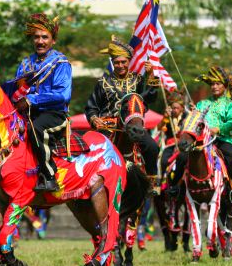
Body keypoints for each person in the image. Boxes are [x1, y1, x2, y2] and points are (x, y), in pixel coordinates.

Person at [85, 36, 160, 187]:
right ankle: (88, 185)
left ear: (129, 62)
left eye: (123, 62)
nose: (120, 65)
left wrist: (151, 76)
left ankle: (152, 181)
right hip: (109, 127)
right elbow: (91, 107)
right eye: (116, 62)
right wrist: (94, 119)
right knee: (90, 153)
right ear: (112, 63)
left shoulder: (138, 80)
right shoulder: (103, 83)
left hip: (133, 126)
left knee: (152, 147)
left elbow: (149, 98)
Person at [12, 13, 72, 192]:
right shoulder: (24, 64)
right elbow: (16, 90)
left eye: (45, 37)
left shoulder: (61, 62)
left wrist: (31, 99)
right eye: (37, 37)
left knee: (35, 128)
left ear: (53, 40)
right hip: (26, 113)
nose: (40, 41)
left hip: (54, 114)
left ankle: (49, 175)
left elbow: (63, 95)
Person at [195, 66, 232, 202]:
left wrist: (217, 129)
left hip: (223, 140)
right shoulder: (202, 104)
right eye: (212, 84)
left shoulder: (231, 105)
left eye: (218, 83)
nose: (214, 86)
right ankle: (177, 187)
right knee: (182, 157)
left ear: (224, 86)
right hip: (202, 141)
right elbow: (194, 120)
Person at [156, 91, 188, 195]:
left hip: (183, 145)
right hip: (170, 145)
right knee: (164, 160)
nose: (174, 110)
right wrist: (165, 117)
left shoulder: (187, 117)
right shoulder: (168, 117)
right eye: (173, 108)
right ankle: (160, 182)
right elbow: (159, 128)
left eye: (176, 108)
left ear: (182, 108)